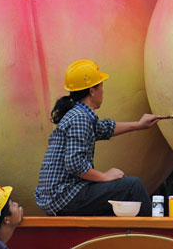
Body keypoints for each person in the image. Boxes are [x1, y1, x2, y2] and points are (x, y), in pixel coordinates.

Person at [35, 59, 161, 216]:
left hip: (58, 195)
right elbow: (75, 164)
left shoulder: (79, 115)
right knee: (132, 186)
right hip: (64, 195)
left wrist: (139, 124)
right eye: (101, 86)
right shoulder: (80, 118)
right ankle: (149, 237)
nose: (103, 91)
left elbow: (105, 128)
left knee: (120, 195)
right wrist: (104, 176)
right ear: (92, 91)